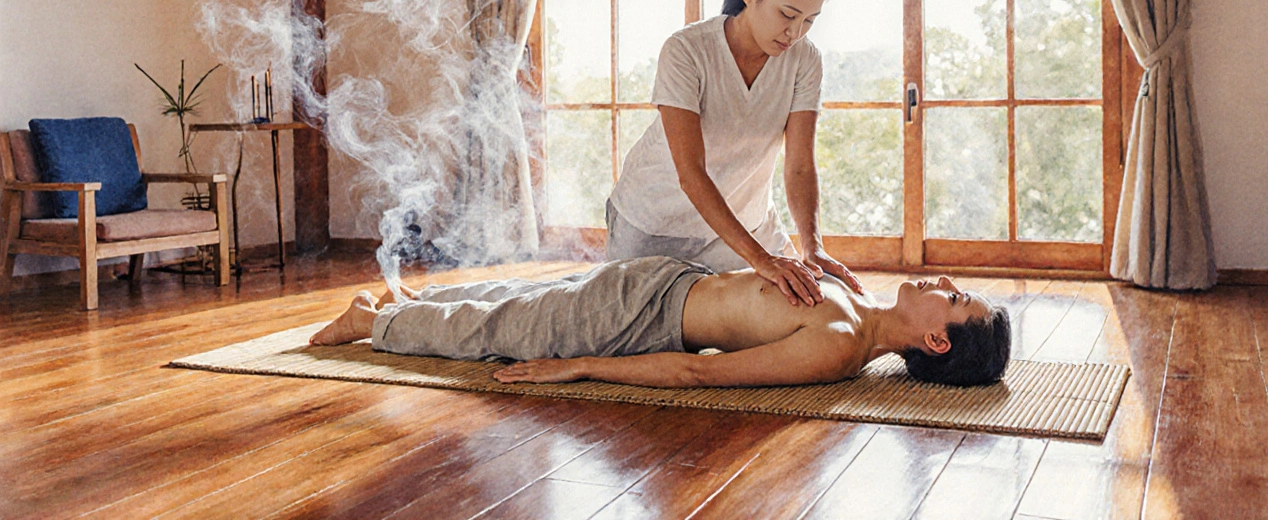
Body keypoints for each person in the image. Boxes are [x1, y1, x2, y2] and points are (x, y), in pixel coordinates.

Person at [606, 0, 858, 309]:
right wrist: (761, 261)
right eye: (787, 15)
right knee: (646, 338)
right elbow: (691, 173)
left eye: (809, 20)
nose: (795, 32)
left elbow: (800, 165)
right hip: (656, 225)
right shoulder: (687, 50)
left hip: (746, 224)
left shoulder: (804, 60)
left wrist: (812, 247)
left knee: (821, 308)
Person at [310, 256, 1012, 389]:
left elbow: (695, 372)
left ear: (936, 340)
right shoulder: (854, 297)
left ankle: (375, 322)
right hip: (661, 277)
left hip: (637, 318)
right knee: (520, 305)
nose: (944, 285)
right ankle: (397, 307)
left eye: (955, 300)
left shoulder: (836, 349)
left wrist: (583, 367)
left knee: (500, 332)